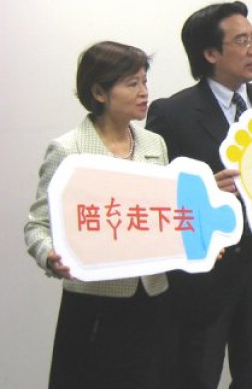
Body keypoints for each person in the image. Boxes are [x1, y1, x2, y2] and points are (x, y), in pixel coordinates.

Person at [147, 1, 252, 389]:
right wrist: (204, 193)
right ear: (210, 53)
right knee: (195, 377)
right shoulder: (173, 113)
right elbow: (158, 198)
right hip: (204, 278)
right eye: (241, 41)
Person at [25, 41, 170, 389]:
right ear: (99, 92)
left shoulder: (155, 144)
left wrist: (199, 241)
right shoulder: (69, 149)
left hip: (153, 297)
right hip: (95, 303)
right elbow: (38, 225)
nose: (143, 92)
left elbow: (167, 215)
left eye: (145, 81)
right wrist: (50, 256)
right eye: (132, 83)